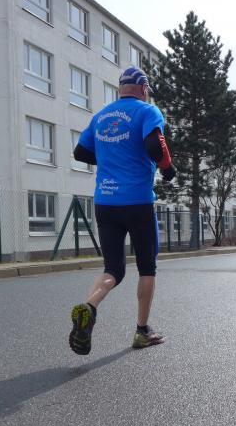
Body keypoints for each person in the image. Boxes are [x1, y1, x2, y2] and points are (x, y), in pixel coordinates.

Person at [68, 67, 176, 355]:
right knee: (147, 266)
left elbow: (80, 152)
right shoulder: (148, 111)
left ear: (121, 89)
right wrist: (168, 169)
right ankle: (142, 331)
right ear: (143, 89)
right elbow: (155, 146)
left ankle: (89, 306)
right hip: (137, 202)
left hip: (105, 203)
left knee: (113, 269)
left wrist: (110, 157)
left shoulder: (101, 116)